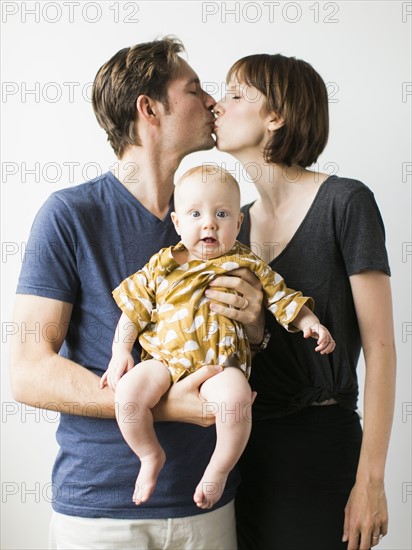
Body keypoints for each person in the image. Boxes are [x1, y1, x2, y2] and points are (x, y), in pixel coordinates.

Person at [8, 37, 265, 550]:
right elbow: (27, 372)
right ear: (148, 109)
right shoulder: (70, 216)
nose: (214, 102)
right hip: (102, 509)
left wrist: (257, 328)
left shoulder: (225, 224)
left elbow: (240, 345)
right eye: (194, 90)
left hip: (209, 505)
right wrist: (164, 406)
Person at [213, 53, 397, 550]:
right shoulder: (232, 227)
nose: (217, 106)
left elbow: (381, 350)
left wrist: (370, 482)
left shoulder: (346, 202)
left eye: (233, 94)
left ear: (276, 116)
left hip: (320, 445)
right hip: (242, 451)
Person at [101, 164, 335, 510]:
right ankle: (149, 455)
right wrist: (120, 350)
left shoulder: (246, 263)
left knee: (237, 398)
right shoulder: (162, 264)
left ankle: (218, 468)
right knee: (128, 395)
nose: (209, 223)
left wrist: (310, 322)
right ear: (178, 223)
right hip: (163, 360)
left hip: (221, 364)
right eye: (196, 213)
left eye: (222, 214)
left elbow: (281, 296)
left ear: (238, 225)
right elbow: (133, 308)